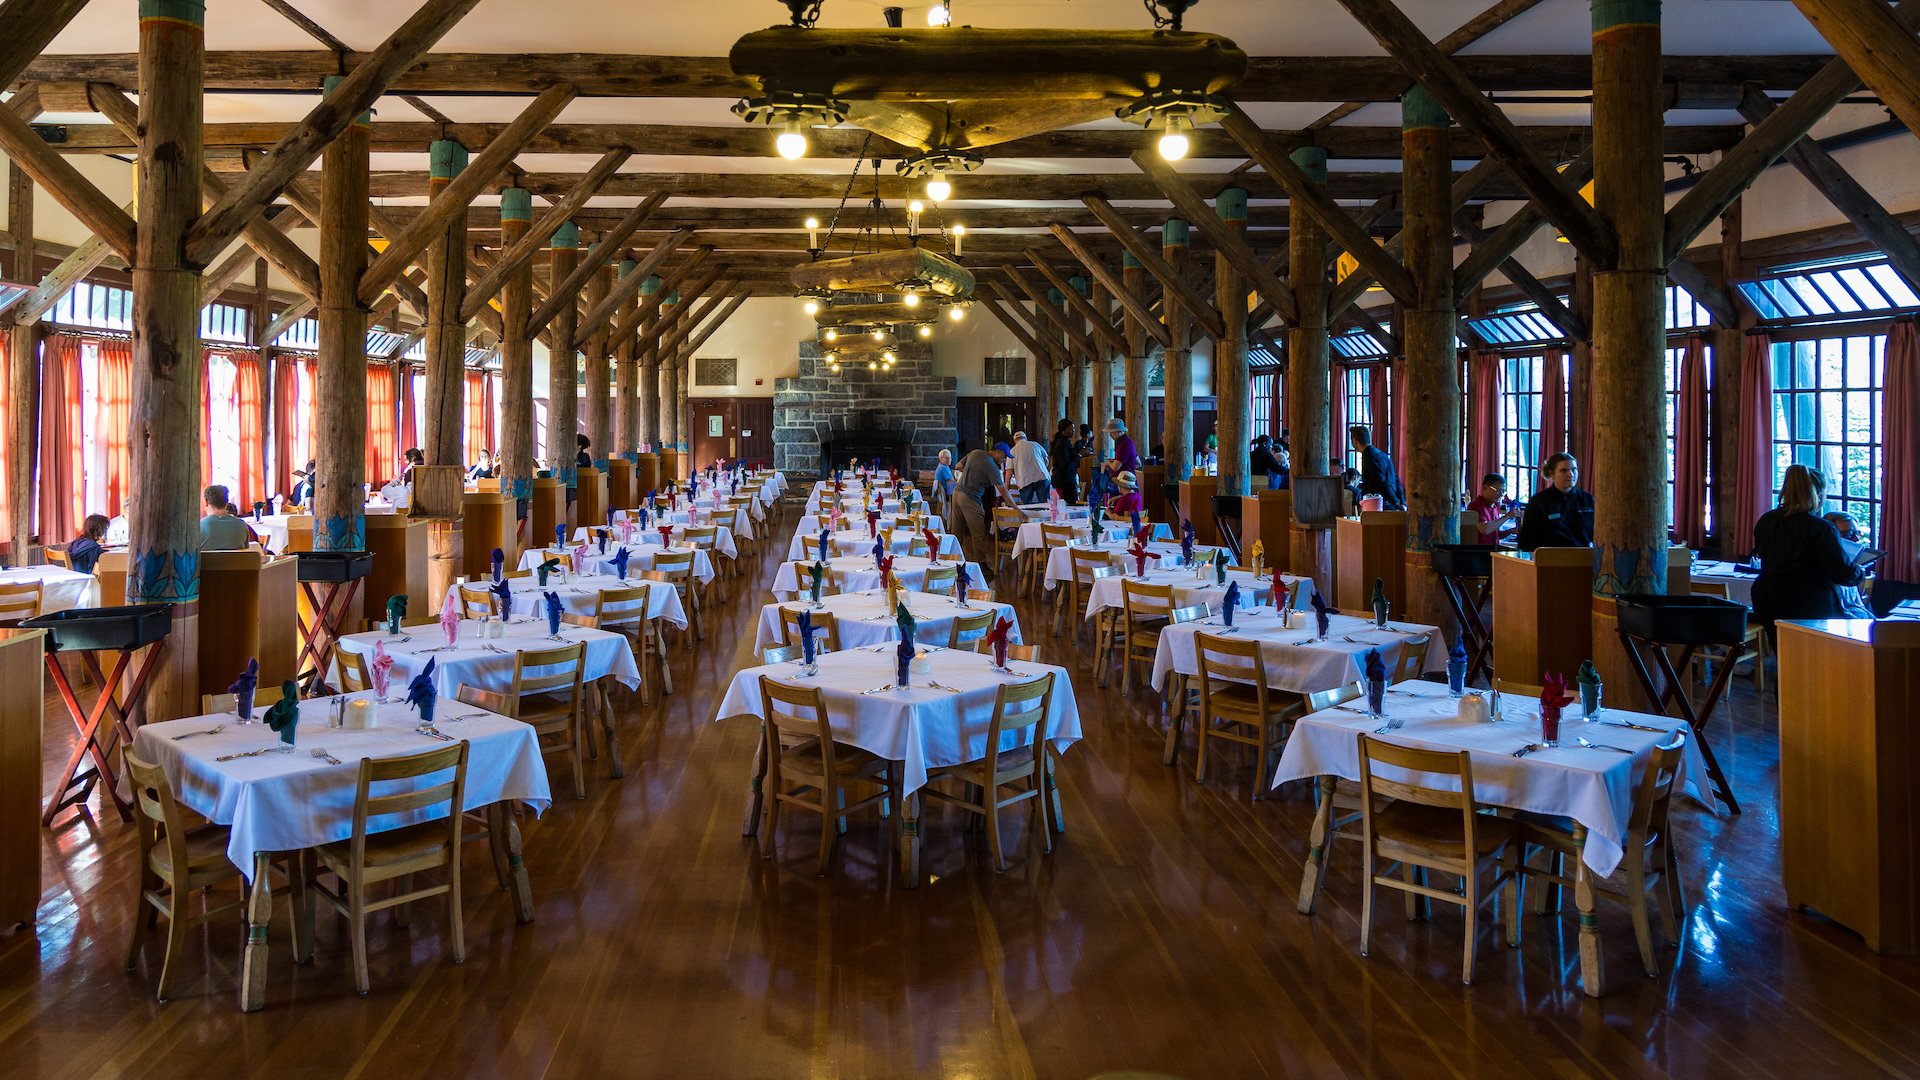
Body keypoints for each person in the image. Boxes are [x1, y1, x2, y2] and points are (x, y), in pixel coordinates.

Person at [1751, 465, 1868, 626]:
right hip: (1810, 602)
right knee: (1814, 650)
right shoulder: (1821, 528)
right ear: (1818, 495)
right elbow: (1840, 572)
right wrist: (1859, 572)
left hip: (1767, 596)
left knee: (1781, 648)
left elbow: (1761, 553)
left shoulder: (1767, 520)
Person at [950, 442, 1016, 572]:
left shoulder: (975, 452)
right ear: (998, 452)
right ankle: (981, 565)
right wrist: (1015, 508)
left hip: (956, 494)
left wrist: (973, 472)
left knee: (956, 533)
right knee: (979, 532)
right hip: (970, 497)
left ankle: (951, 561)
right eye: (1004, 457)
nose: (1003, 460)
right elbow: (1002, 490)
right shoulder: (992, 466)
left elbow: (958, 466)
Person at [1515, 453, 1594, 551]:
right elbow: (1526, 542)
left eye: (1574, 469)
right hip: (1550, 561)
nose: (1570, 474)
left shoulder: (1588, 500)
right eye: (1564, 470)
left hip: (1585, 560)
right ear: (1551, 473)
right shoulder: (1538, 502)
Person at [1348, 425, 1404, 510]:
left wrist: (1396, 502)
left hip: (1379, 506)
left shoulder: (1369, 458)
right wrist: (1402, 501)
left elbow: (1381, 483)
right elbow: (1396, 479)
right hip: (1391, 504)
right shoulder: (1383, 455)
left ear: (1354, 441)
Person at [1464, 474, 1519, 545]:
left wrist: (1509, 531)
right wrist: (1507, 516)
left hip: (1493, 550)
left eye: (1503, 492)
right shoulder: (1476, 505)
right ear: (1485, 488)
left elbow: (1495, 534)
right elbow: (1484, 530)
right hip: (1480, 552)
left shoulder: (1494, 506)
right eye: (1498, 491)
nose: (1501, 494)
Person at [198, 485, 254, 551]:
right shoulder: (241, 525)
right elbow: (245, 550)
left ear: (206, 502)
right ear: (227, 502)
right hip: (235, 561)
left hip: (207, 561)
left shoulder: (199, 527)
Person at [1009, 430, 1050, 504]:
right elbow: (1046, 460)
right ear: (1025, 438)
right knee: (1046, 504)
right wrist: (1042, 468)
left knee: (1027, 507)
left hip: (1024, 480)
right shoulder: (1035, 444)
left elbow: (1009, 472)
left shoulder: (1012, 451)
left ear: (1014, 440)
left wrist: (1006, 488)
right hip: (1041, 476)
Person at [1048, 418, 1082, 504]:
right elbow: (1065, 466)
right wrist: (1078, 456)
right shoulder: (1062, 444)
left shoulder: (1065, 442)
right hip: (1064, 482)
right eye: (1071, 429)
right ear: (1063, 431)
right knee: (1067, 506)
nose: (1073, 431)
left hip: (1065, 480)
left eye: (1074, 429)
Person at [1103, 418, 1140, 483]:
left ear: (1120, 431)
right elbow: (1138, 463)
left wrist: (1108, 461)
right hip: (1129, 481)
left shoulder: (1123, 444)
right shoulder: (1129, 442)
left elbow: (1115, 468)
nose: (1110, 435)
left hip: (1123, 483)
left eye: (1113, 432)